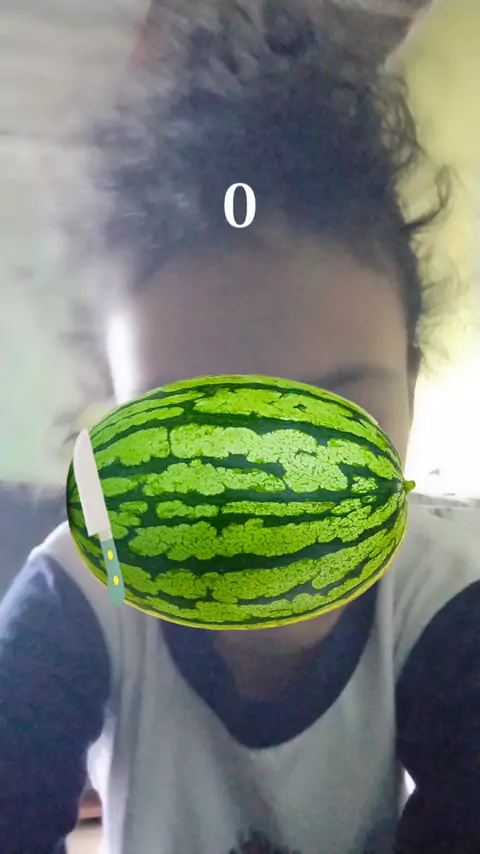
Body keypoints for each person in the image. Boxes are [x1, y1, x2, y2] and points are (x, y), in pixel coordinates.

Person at [1, 2, 479, 853]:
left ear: (409, 388)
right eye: (193, 436)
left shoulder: (436, 593)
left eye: (337, 417)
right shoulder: (81, 591)